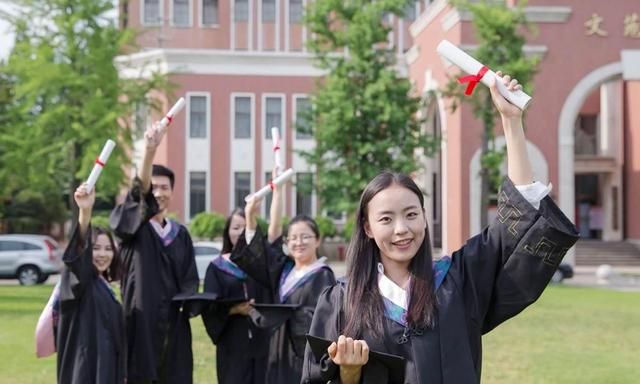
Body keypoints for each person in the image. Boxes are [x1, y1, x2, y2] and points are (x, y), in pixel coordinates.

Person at [301, 73, 580, 383]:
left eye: (411, 214)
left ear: (424, 216)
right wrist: (349, 373)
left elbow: (517, 220)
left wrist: (511, 122)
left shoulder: (457, 279)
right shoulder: (342, 300)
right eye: (386, 219)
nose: (401, 229)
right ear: (367, 228)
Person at [110, 121, 199, 383]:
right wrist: (150, 150)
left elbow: (190, 279)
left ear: (173, 192)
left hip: (174, 327)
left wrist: (192, 300)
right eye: (154, 187)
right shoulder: (134, 229)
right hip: (139, 322)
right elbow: (140, 194)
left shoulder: (180, 234)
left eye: (165, 188)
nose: (158, 193)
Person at [230, 174, 336, 383]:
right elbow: (266, 245)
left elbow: (326, 323)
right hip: (275, 353)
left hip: (302, 357)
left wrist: (290, 317)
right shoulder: (284, 270)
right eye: (293, 238)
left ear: (317, 240)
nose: (299, 242)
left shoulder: (324, 275)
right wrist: (251, 216)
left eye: (305, 237)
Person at [56, 184, 125, 383]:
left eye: (108, 248)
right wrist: (85, 212)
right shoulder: (79, 283)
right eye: (95, 248)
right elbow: (78, 258)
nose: (103, 254)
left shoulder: (106, 288)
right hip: (84, 372)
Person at [201, 207, 270, 384]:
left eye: (245, 227)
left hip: (261, 342)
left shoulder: (261, 265)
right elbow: (209, 308)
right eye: (236, 227)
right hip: (232, 342)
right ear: (227, 232)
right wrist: (234, 310)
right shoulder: (217, 267)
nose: (240, 232)